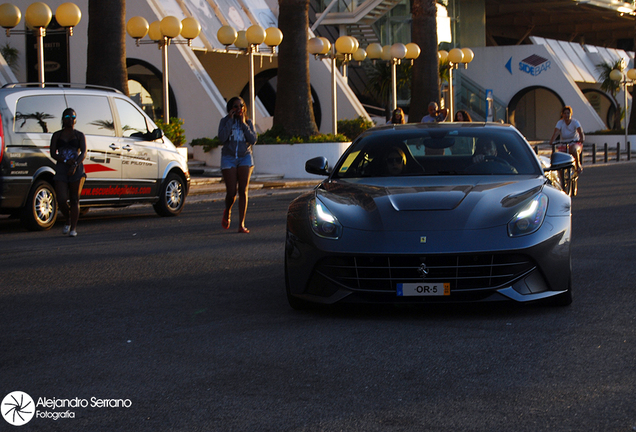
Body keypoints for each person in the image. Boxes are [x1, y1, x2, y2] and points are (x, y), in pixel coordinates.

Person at [218, 96, 257, 233]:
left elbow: (253, 140)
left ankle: (241, 224)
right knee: (231, 192)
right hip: (228, 158)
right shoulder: (224, 121)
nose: (239, 109)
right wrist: (230, 121)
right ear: (230, 109)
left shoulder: (248, 122)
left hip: (244, 157)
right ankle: (227, 210)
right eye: (235, 106)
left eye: (241, 106)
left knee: (243, 190)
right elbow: (222, 138)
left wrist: (244, 124)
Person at [50, 108, 86, 237]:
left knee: (75, 199)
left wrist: (75, 164)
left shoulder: (79, 135)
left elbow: (83, 152)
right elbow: (53, 153)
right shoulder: (57, 135)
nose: (70, 119)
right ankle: (68, 219)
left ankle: (73, 228)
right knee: (61, 199)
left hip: (76, 169)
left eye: (73, 117)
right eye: (67, 117)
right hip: (62, 167)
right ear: (63, 119)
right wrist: (65, 161)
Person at [549, 105, 585, 173]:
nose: (566, 115)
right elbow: (556, 133)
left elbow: (580, 131)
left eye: (568, 113)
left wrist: (582, 138)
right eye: (565, 113)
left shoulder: (575, 122)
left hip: (574, 142)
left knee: (574, 149)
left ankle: (578, 165)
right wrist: (552, 141)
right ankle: (562, 179)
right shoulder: (560, 123)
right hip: (564, 144)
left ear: (571, 114)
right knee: (559, 159)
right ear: (562, 114)